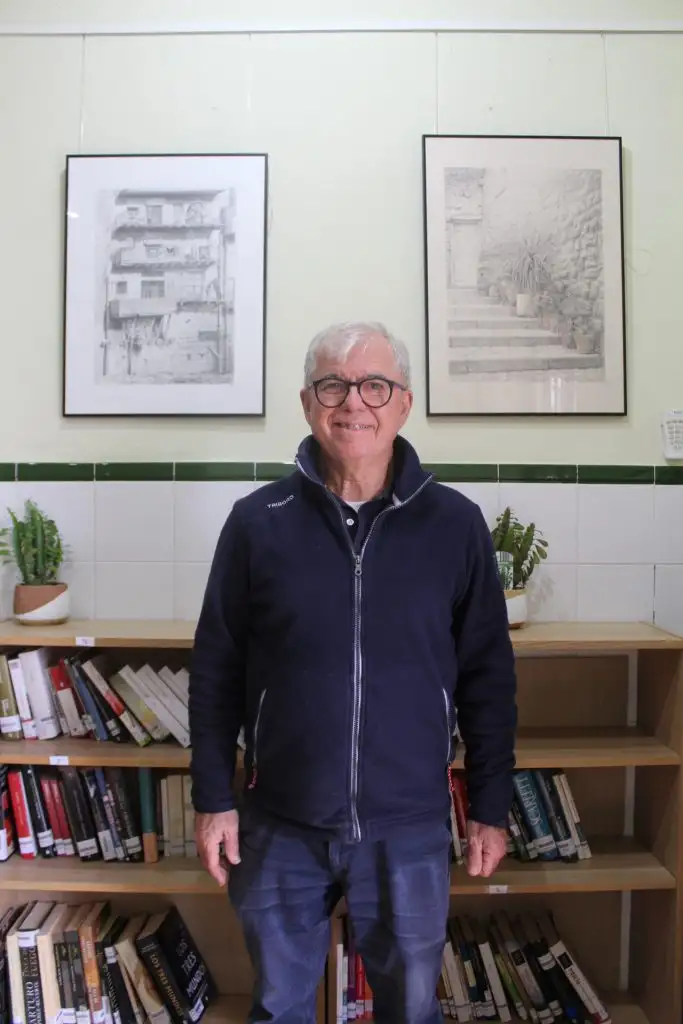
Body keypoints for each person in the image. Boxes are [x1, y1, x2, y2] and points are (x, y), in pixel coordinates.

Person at [189, 321, 517, 1024]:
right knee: (278, 1007)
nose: (354, 403)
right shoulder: (255, 522)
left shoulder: (455, 524)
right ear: (308, 403)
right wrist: (213, 797)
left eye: (374, 385)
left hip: (409, 828)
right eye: (333, 385)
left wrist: (490, 807)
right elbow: (216, 669)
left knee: (411, 1009)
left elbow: (487, 677)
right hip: (279, 824)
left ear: (404, 403)